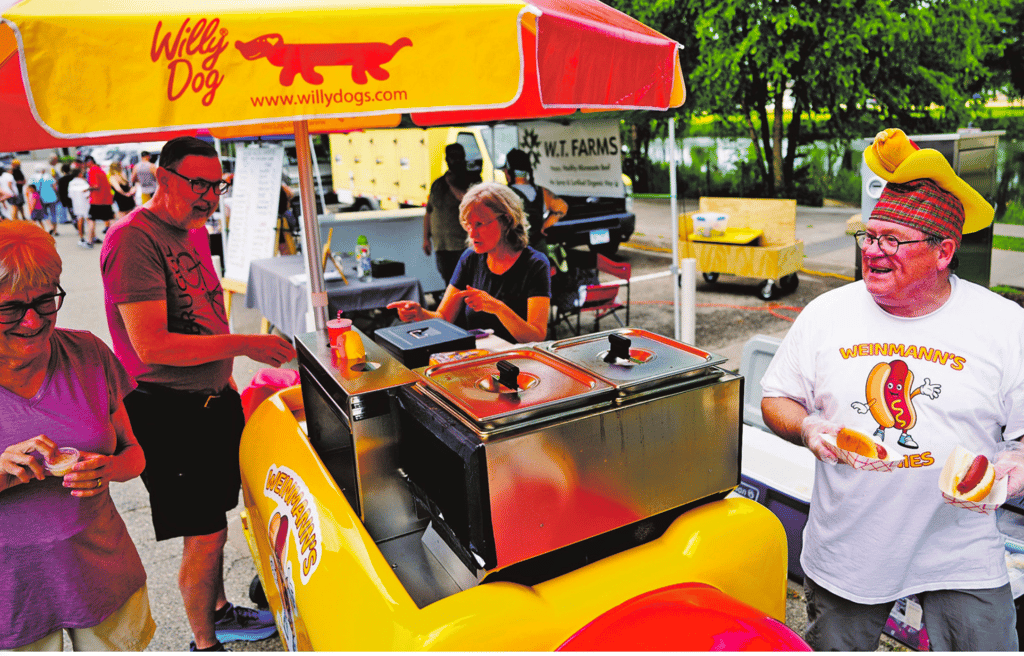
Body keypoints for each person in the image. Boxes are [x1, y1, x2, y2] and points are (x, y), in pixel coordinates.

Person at [759, 128, 1024, 651]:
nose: (874, 252)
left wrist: (1013, 470)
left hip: (961, 551)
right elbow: (776, 399)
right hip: (849, 548)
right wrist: (807, 426)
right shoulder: (827, 313)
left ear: (943, 252)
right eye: (869, 236)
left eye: (893, 240)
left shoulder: (1004, 325)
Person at [99, 136, 296, 652]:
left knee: (213, 523)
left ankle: (219, 610)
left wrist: (223, 377)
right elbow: (151, 345)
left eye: (217, 185)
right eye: (198, 184)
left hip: (210, 401)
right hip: (167, 411)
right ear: (163, 178)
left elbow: (204, 312)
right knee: (204, 534)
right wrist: (245, 344)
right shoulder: (132, 240)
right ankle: (204, 643)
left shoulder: (194, 231)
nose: (209, 196)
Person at [0, 221, 154, 651]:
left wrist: (109, 468)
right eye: (10, 308)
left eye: (45, 300)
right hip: (11, 596)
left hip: (102, 574)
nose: (33, 320)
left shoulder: (87, 354)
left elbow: (134, 454)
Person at [389, 181, 551, 343]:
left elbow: (537, 336)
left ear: (507, 220)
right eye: (468, 224)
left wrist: (498, 308)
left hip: (517, 357)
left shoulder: (535, 264)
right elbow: (444, 318)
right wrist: (420, 314)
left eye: (480, 224)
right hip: (479, 355)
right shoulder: (470, 258)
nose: (472, 233)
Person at [423, 143, 480, 286]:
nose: (455, 161)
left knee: (466, 282)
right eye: (451, 157)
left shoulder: (472, 180)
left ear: (464, 158)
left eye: (458, 157)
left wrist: (451, 185)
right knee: (449, 282)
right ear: (446, 159)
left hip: (462, 245)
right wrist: (425, 238)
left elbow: (469, 201)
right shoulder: (438, 184)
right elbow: (429, 212)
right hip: (441, 246)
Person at [503, 148, 567, 258]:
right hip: (539, 251)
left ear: (508, 171)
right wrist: (543, 226)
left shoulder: (504, 194)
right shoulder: (542, 192)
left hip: (516, 252)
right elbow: (562, 208)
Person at [85, 156, 115, 238]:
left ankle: (90, 240)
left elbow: (96, 185)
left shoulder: (92, 170)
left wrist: (86, 189)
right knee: (110, 218)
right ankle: (117, 237)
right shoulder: (100, 170)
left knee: (91, 220)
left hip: (96, 200)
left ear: (89, 162)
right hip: (106, 199)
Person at [68, 168, 94, 248]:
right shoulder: (83, 182)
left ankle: (81, 237)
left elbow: (70, 195)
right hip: (85, 204)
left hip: (76, 204)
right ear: (79, 174)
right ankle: (91, 237)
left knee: (79, 220)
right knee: (89, 220)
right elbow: (87, 194)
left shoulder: (71, 183)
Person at [32, 165, 60, 235]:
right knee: (53, 214)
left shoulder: (35, 177)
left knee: (45, 214)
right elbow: (55, 186)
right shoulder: (48, 176)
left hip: (42, 198)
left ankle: (50, 226)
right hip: (52, 197)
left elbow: (33, 188)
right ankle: (55, 230)